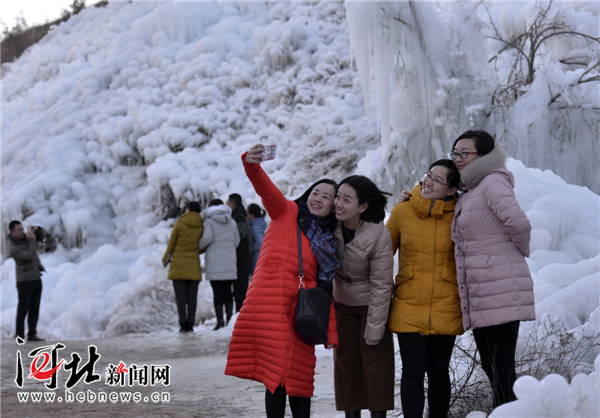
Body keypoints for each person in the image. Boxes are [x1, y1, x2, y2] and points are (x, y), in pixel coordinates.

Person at [225, 144, 340, 418]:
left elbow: (325, 290)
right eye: (315, 192)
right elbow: (265, 188)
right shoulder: (286, 211)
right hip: (271, 308)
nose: (318, 198)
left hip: (302, 313)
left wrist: (332, 331)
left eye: (326, 197)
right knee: (276, 376)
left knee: (300, 379)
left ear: (333, 206)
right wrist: (251, 164)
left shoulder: (330, 239)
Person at [450, 130, 534, 407]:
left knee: (501, 364)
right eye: (455, 153)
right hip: (482, 290)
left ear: (482, 155)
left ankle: (510, 413)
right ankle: (511, 411)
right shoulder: (470, 190)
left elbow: (519, 224)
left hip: (500, 284)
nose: (458, 158)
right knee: (491, 363)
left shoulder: (492, 182)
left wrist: (508, 253)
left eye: (465, 153)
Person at [386, 160, 463, 418]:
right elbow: (382, 253)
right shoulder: (402, 211)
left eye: (437, 180)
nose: (429, 181)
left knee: (440, 372)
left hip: (446, 302)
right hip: (409, 300)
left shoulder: (460, 215)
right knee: (413, 370)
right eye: (428, 175)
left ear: (452, 190)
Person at [332, 175, 395, 418]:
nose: (338, 203)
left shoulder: (378, 235)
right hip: (342, 305)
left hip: (370, 305)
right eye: (338, 197)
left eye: (347, 200)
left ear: (363, 207)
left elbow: (382, 284)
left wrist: (376, 326)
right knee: (346, 364)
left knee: (376, 364)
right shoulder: (331, 226)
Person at [162, 201, 204, 333]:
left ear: (187, 210)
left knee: (180, 298)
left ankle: (182, 324)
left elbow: (171, 244)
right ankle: (191, 323)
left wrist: (166, 260)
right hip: (193, 266)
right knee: (192, 298)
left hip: (178, 266)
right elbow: (202, 246)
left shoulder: (179, 224)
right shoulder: (201, 225)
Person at [199, 199, 240, 331]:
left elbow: (207, 238)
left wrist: (196, 246)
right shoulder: (232, 222)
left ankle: (220, 321)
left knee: (218, 293)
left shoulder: (209, 221)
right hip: (230, 261)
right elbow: (237, 241)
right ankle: (229, 319)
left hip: (214, 262)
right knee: (228, 291)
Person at [7, 221, 46, 342]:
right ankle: (19, 335)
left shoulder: (25, 239)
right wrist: (32, 241)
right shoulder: (13, 248)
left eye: (22, 229)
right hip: (24, 281)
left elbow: (41, 238)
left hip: (35, 278)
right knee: (23, 308)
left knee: (35, 308)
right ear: (12, 232)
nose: (21, 232)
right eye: (18, 230)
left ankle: (32, 333)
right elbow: (29, 256)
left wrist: (36, 229)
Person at [226, 193, 253, 312]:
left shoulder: (238, 216)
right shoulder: (241, 214)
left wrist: (235, 252)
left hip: (241, 259)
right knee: (240, 289)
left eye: (227, 203)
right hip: (243, 258)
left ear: (232, 204)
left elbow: (243, 237)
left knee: (240, 290)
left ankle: (241, 315)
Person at [247, 203, 267, 277]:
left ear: (252, 215)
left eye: (247, 213)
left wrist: (248, 248)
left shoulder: (254, 227)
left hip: (256, 258)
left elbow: (260, 243)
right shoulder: (261, 224)